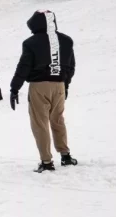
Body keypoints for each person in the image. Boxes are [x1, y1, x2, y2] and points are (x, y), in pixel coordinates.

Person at [8, 10, 78, 173]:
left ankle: (46, 162)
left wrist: (14, 88)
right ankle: (66, 155)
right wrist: (65, 85)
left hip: (39, 86)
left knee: (40, 124)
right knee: (58, 120)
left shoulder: (30, 43)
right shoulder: (67, 41)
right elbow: (70, 67)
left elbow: (23, 67)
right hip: (59, 85)